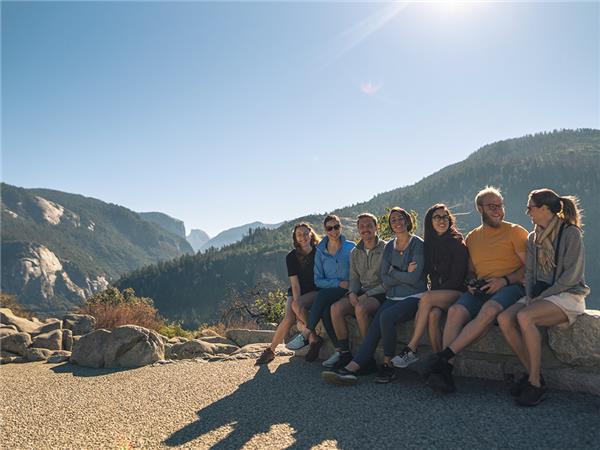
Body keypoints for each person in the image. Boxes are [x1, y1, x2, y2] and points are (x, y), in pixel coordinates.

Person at [423, 186, 528, 393]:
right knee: (455, 311)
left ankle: (443, 359)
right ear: (480, 209)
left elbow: (529, 268)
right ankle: (446, 374)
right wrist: (471, 282)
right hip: (482, 287)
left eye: (500, 206)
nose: (498, 210)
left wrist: (505, 280)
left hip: (512, 286)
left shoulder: (515, 231)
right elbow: (470, 270)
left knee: (489, 310)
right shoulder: (472, 238)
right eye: (492, 206)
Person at [497, 189, 589, 406]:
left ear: (545, 209)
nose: (527, 211)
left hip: (567, 295)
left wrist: (542, 296)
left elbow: (571, 276)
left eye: (530, 207)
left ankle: (535, 383)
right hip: (539, 295)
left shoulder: (570, 233)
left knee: (526, 317)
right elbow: (529, 273)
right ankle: (533, 373)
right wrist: (530, 295)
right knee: (504, 319)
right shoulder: (533, 237)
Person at [322, 207, 427, 385]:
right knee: (373, 325)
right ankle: (351, 367)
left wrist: (395, 273)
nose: (397, 222)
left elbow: (413, 278)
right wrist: (353, 293)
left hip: (411, 295)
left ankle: (385, 365)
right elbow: (384, 276)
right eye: (393, 220)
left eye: (400, 219)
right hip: (392, 296)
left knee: (383, 316)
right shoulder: (384, 248)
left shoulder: (415, 243)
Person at [391, 204, 468, 368]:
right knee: (433, 316)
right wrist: (405, 269)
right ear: (430, 222)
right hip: (437, 297)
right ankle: (439, 362)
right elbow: (422, 271)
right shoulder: (429, 245)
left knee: (426, 298)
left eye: (445, 217)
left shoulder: (457, 243)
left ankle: (411, 348)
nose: (442, 220)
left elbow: (457, 280)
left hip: (458, 294)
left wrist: (432, 294)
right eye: (437, 217)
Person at [322, 213, 387, 369]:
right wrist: (351, 293)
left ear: (376, 227)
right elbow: (354, 278)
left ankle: (367, 359)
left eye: (369, 225)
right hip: (361, 292)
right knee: (335, 308)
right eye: (362, 226)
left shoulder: (386, 248)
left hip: (381, 292)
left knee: (360, 308)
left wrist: (366, 295)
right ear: (358, 229)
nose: (365, 229)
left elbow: (388, 281)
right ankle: (345, 353)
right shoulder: (355, 252)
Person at [256, 223, 320, 364]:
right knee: (288, 319)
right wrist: (297, 309)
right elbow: (295, 285)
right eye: (299, 235)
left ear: (310, 233)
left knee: (297, 307)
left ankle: (313, 340)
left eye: (305, 233)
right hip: (297, 291)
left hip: (316, 291)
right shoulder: (291, 257)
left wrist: (298, 307)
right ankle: (271, 351)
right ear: (295, 238)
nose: (302, 237)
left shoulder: (319, 252)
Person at [302, 215, 356, 362]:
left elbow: (358, 272)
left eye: (336, 227)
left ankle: (307, 332)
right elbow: (318, 280)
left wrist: (349, 285)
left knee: (322, 297)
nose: (334, 231)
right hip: (334, 289)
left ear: (341, 227)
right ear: (325, 230)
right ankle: (341, 351)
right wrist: (338, 283)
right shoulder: (320, 251)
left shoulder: (351, 247)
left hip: (349, 289)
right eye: (329, 228)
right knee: (326, 310)